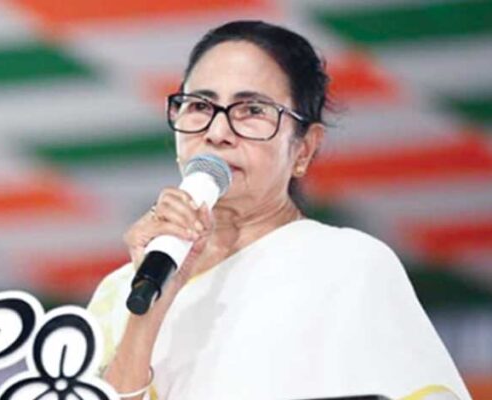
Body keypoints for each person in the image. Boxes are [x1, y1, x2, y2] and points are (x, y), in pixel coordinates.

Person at [87, 20, 471, 400]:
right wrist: (145, 314)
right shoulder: (121, 289)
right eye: (200, 105)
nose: (217, 133)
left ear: (304, 148)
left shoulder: (346, 264)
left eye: (252, 110)